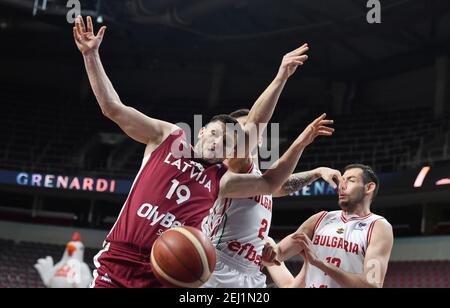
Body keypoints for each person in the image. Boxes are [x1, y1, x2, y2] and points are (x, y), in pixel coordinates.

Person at [72, 16, 334, 287]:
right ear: (201, 131)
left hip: (164, 271)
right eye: (216, 133)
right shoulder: (167, 137)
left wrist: (298, 134)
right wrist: (91, 56)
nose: (219, 142)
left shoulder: (221, 179)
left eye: (228, 143)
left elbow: (270, 181)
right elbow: (112, 107)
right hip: (121, 258)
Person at [202, 108, 342, 288]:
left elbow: (279, 184)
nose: (245, 134)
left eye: (247, 129)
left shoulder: (262, 184)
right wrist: (300, 143)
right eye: (238, 132)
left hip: (249, 273)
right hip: (218, 268)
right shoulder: (231, 168)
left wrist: (316, 172)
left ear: (259, 138)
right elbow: (273, 180)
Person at [262, 164, 394, 288]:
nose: (342, 185)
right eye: (342, 180)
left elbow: (372, 285)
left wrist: (320, 263)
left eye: (351, 180)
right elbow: (277, 255)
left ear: (369, 187)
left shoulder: (379, 227)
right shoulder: (320, 219)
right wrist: (268, 247)